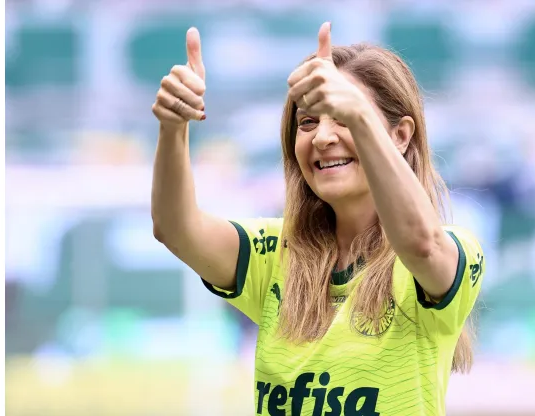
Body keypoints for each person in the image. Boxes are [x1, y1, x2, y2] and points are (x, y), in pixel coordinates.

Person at [151, 22, 485, 416]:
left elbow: (421, 243)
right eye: (307, 122)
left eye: (341, 118)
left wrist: (359, 116)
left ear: (401, 135)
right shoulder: (273, 252)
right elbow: (176, 228)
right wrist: (174, 128)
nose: (322, 137)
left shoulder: (453, 250)